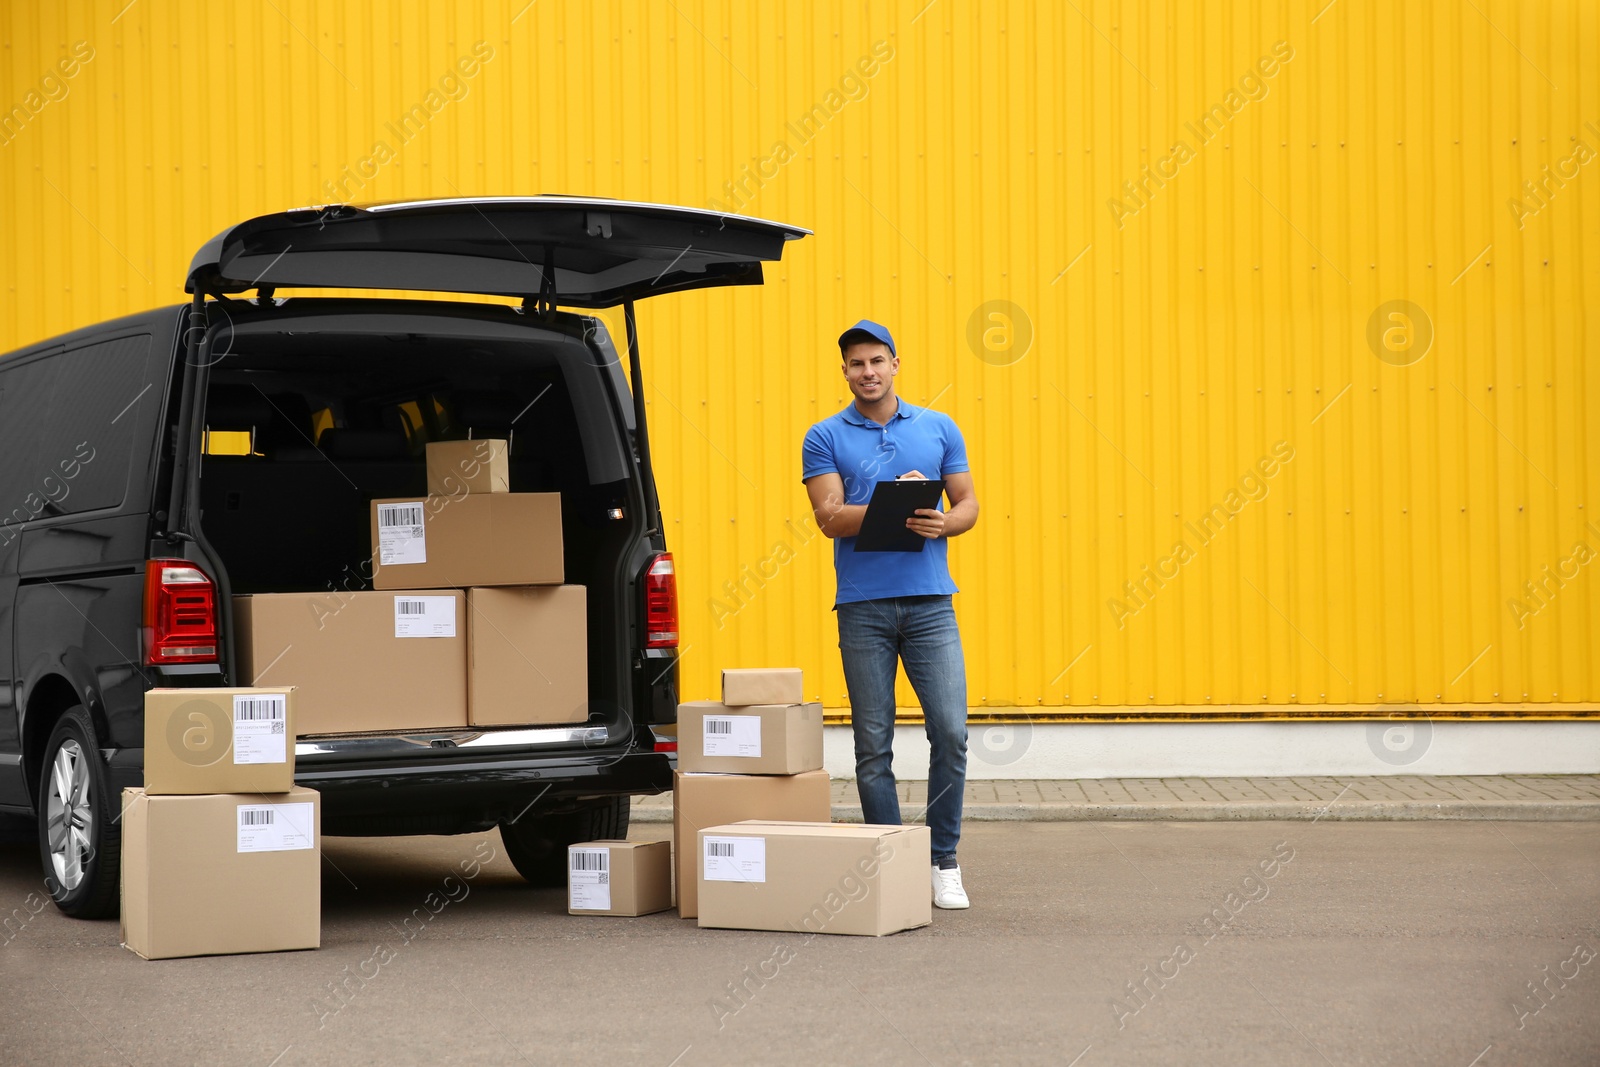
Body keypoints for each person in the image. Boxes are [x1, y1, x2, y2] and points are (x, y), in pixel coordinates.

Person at [801, 319, 980, 910]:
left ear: (896, 363)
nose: (868, 372)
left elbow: (967, 504)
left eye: (877, 361)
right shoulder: (824, 435)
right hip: (862, 607)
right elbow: (827, 517)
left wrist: (941, 520)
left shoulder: (938, 426)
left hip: (931, 603)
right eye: (856, 364)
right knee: (872, 743)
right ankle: (891, 860)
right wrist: (894, 501)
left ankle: (942, 861)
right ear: (845, 372)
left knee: (950, 732)